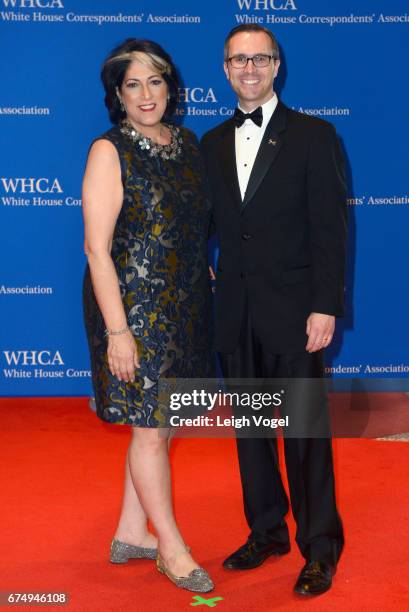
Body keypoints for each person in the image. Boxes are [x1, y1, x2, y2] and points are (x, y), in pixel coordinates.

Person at [201, 24, 347, 596]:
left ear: (277, 65)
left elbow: (331, 231)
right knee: (253, 431)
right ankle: (266, 531)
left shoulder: (314, 135)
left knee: (305, 433)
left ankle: (321, 546)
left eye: (260, 58)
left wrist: (324, 306)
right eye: (238, 60)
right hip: (235, 312)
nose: (250, 68)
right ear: (226, 69)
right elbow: (208, 226)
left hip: (294, 311)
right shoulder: (210, 143)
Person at [82, 38, 214, 594]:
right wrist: (118, 331)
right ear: (118, 93)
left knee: (160, 424)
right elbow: (96, 249)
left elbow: (190, 225)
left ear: (170, 86)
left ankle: (131, 531)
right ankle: (172, 549)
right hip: (133, 310)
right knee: (152, 427)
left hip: (185, 304)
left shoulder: (187, 143)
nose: (145, 94)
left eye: (154, 81)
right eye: (132, 84)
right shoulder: (108, 151)